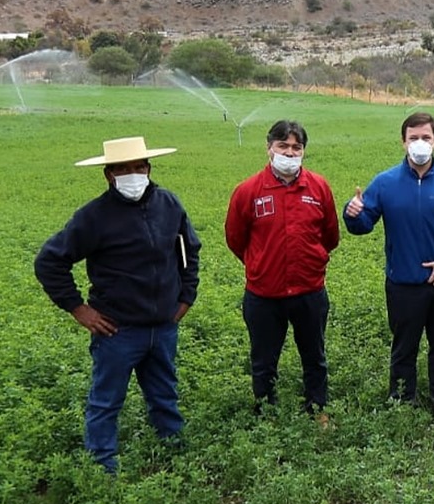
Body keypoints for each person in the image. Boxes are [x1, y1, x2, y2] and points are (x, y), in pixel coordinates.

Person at [34, 137, 201, 473]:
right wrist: (79, 309)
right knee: (106, 400)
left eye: (139, 167)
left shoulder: (169, 205)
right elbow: (49, 261)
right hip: (118, 330)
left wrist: (186, 296)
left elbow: (188, 251)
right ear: (108, 175)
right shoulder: (94, 217)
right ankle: (102, 466)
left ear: (149, 169)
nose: (133, 174)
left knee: (164, 393)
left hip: (162, 326)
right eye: (123, 169)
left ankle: (173, 450)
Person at [344, 112, 434, 426]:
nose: (420, 144)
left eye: (426, 138)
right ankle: (402, 398)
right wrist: (353, 214)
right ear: (403, 141)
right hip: (403, 284)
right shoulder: (386, 182)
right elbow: (363, 225)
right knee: (404, 345)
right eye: (414, 138)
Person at [225, 120, 341, 419]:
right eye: (283, 146)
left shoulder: (318, 187)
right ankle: (265, 412)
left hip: (309, 291)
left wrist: (310, 260)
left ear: (303, 151)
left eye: (296, 148)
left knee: (314, 356)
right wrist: (262, 264)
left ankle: (317, 409)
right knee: (263, 360)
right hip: (264, 294)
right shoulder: (248, 191)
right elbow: (236, 239)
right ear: (269, 148)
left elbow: (330, 236)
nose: (289, 153)